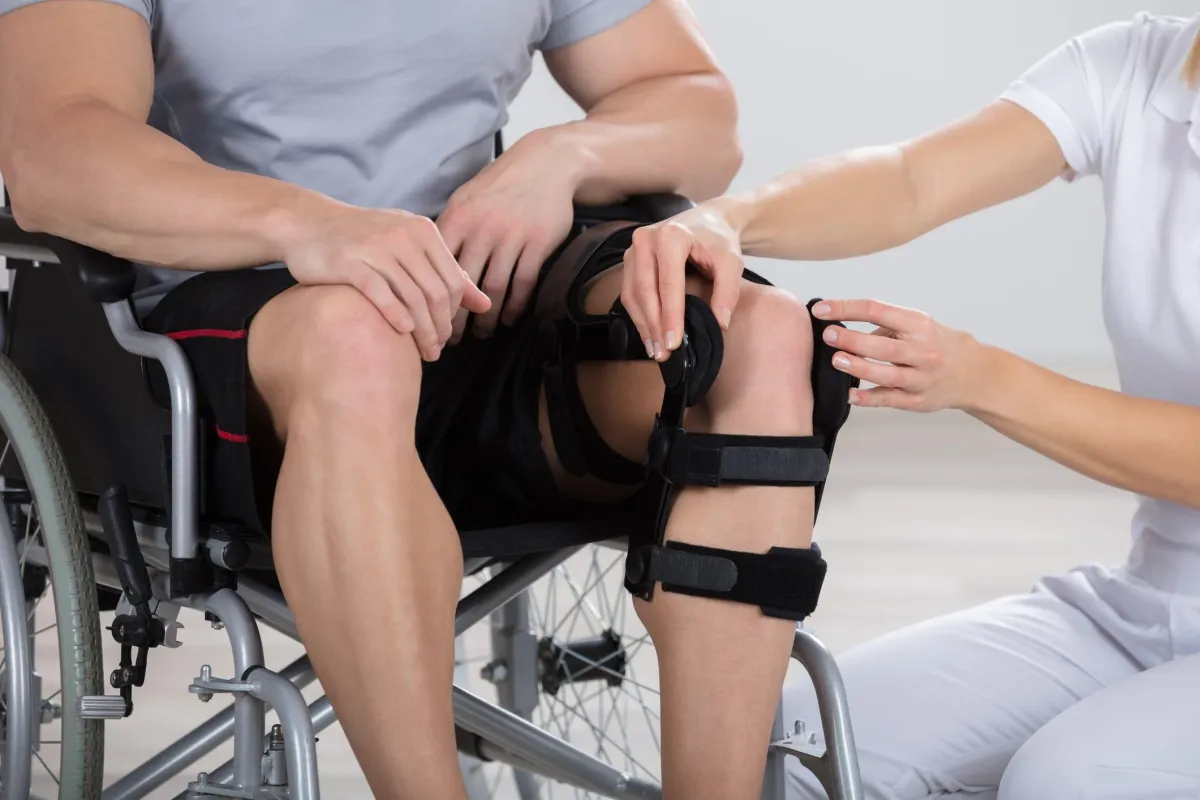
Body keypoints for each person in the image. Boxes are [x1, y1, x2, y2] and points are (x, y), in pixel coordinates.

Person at [0, 1, 835, 798]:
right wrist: (306, 224)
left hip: (472, 305)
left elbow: (699, 110)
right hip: (231, 343)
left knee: (752, 336)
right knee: (358, 333)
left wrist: (562, 156)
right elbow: (55, 146)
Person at [625, 10, 1200, 799]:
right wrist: (730, 219)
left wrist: (980, 378)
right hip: (1145, 601)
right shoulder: (1142, 64)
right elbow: (910, 178)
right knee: (790, 759)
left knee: (1068, 781)